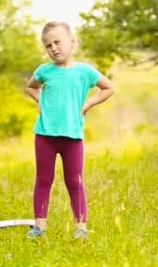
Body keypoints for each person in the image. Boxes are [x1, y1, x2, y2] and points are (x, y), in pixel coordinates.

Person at [25, 21, 115, 239]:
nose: (53, 48)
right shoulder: (44, 71)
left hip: (73, 137)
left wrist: (88, 104)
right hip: (45, 136)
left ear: (72, 42)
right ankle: (39, 227)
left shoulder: (84, 71)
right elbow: (31, 87)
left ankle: (81, 229)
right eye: (48, 45)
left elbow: (109, 88)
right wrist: (42, 102)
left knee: (74, 181)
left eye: (57, 42)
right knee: (43, 179)